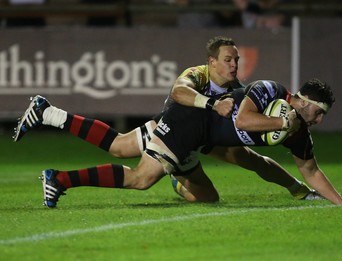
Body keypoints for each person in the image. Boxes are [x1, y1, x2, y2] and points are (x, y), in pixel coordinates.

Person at [14, 36, 319, 204]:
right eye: (228, 59)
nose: (234, 64)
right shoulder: (198, 74)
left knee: (208, 195)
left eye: (237, 59)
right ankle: (59, 173)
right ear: (212, 62)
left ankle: (48, 114)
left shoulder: (237, 90)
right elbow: (179, 93)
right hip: (173, 129)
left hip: (195, 140)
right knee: (139, 176)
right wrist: (213, 105)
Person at [25, 78, 342, 207]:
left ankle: (50, 114)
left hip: (203, 141)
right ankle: (59, 180)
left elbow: (311, 168)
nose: (320, 119)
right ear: (303, 101)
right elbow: (242, 119)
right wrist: (278, 123)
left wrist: (341, 205)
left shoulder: (299, 132)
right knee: (141, 180)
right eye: (319, 111)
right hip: (188, 124)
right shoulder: (270, 90)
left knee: (121, 147)